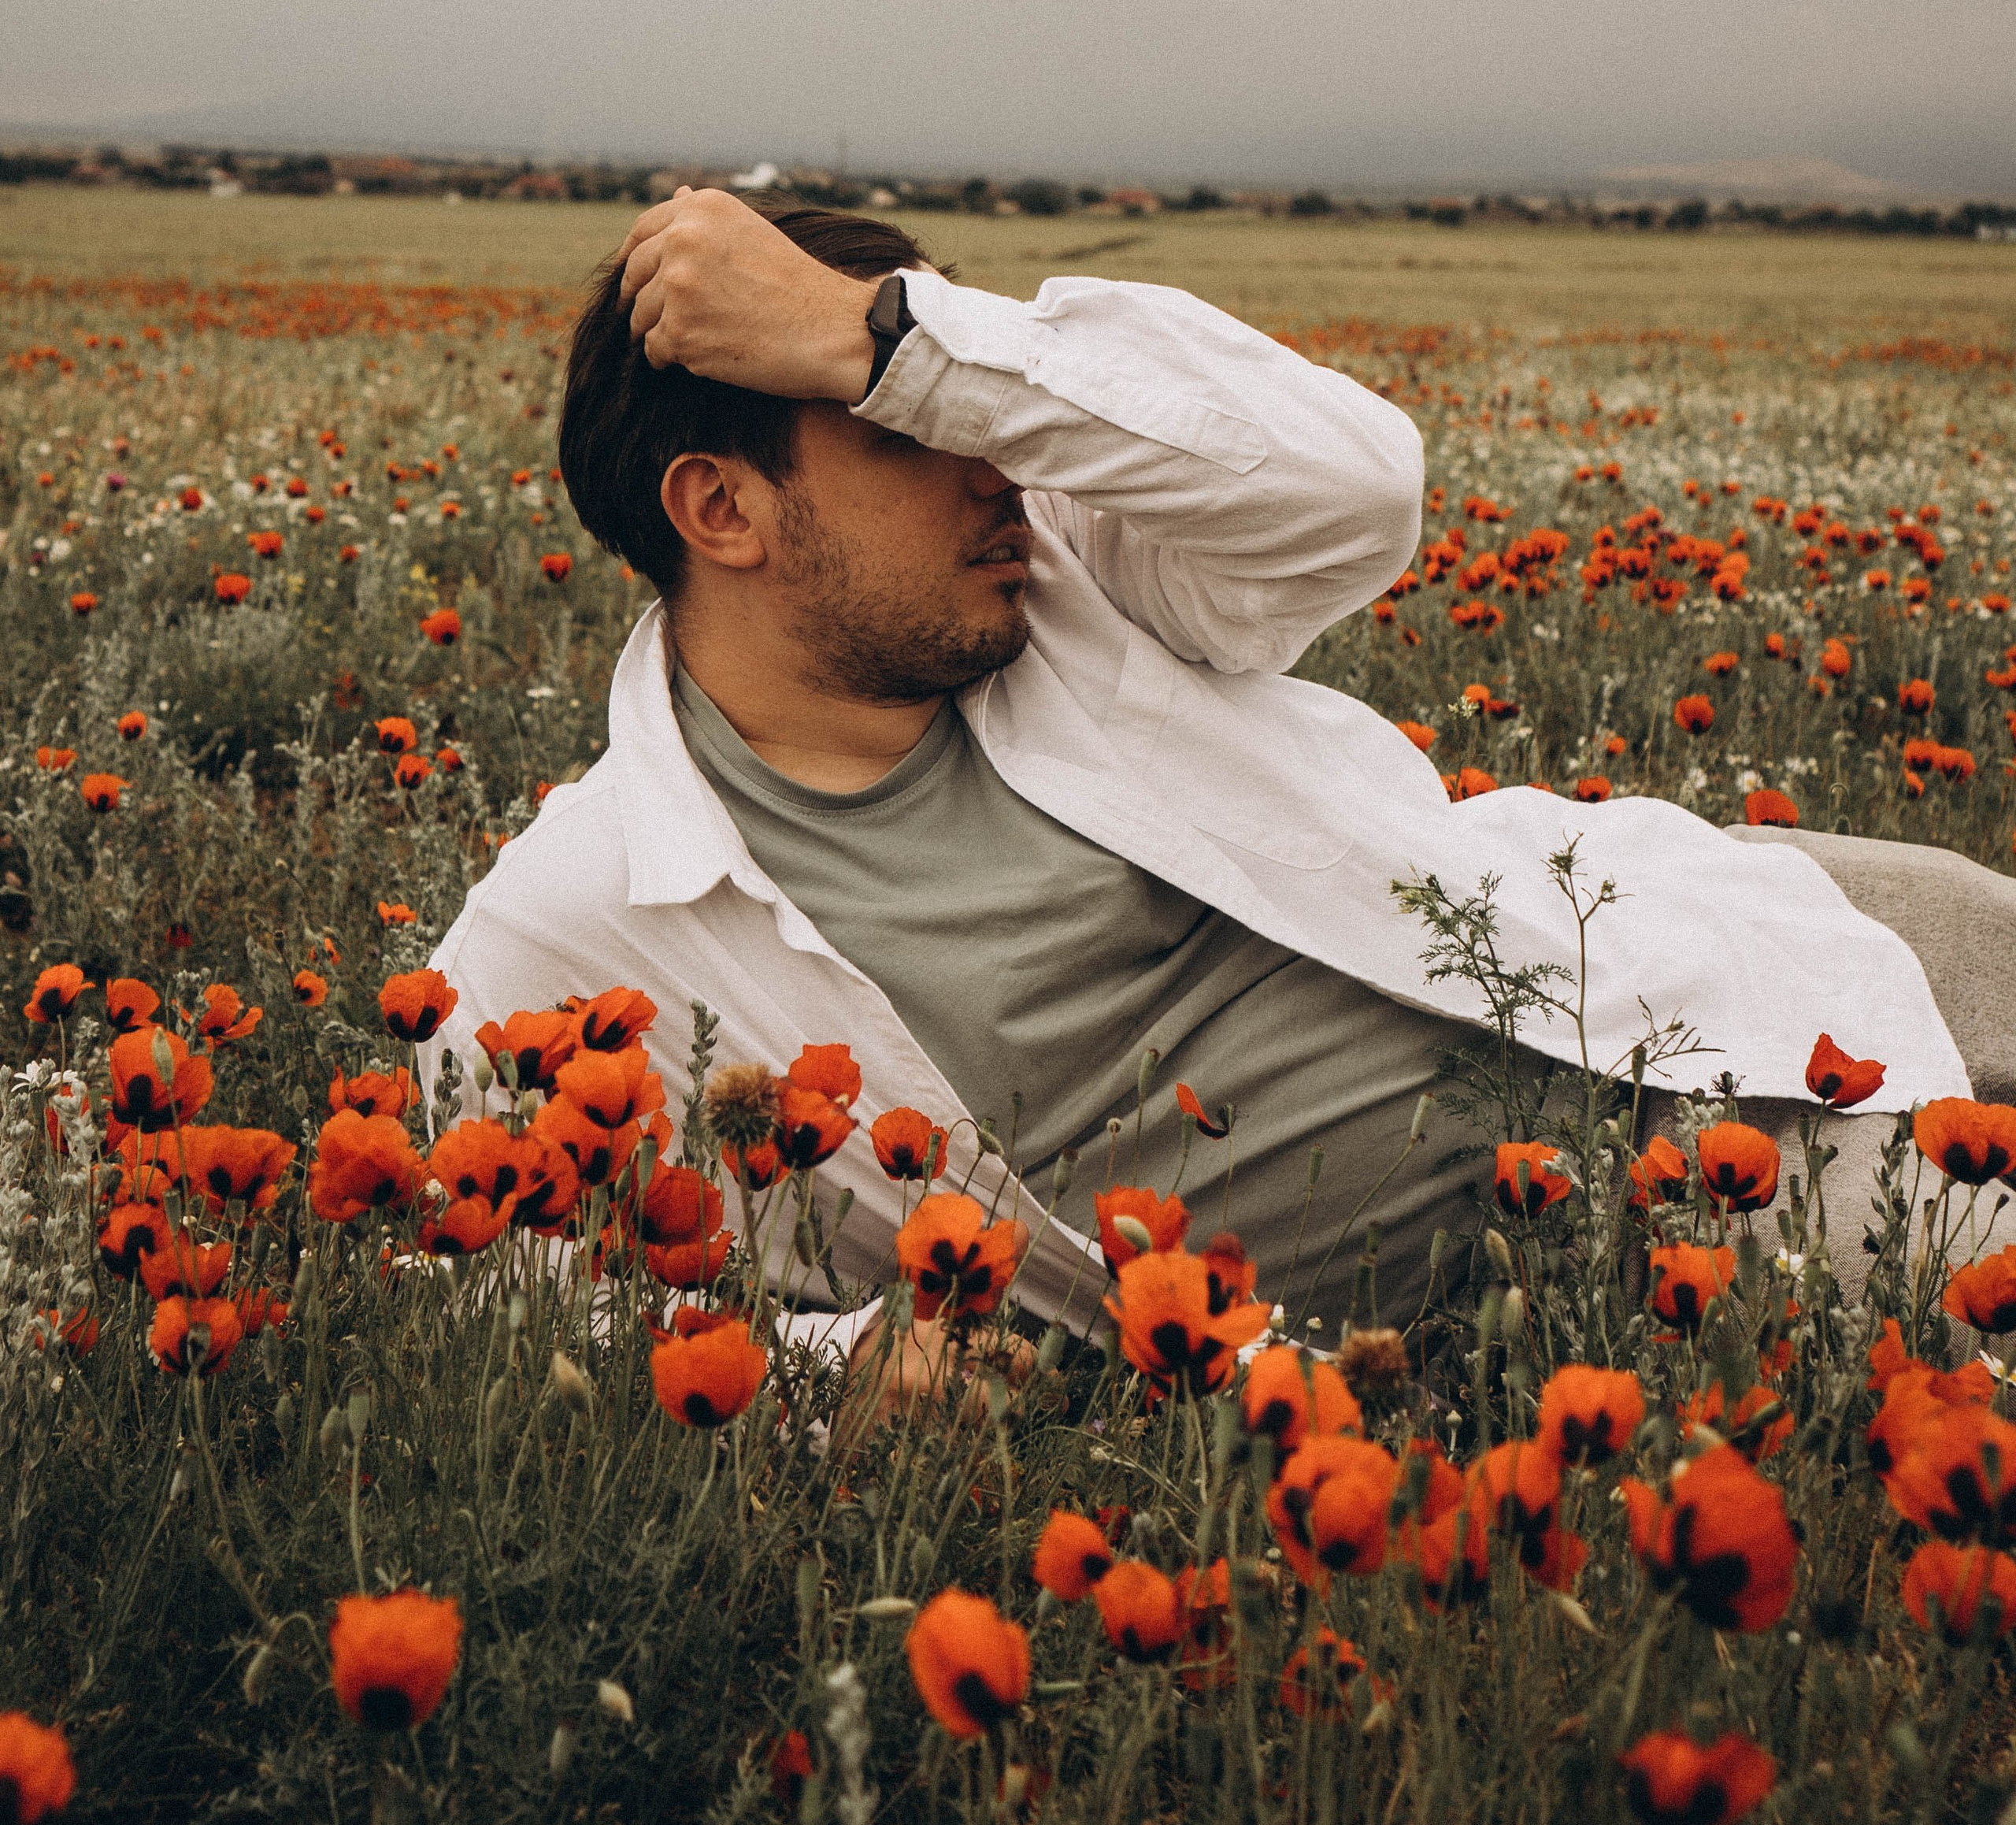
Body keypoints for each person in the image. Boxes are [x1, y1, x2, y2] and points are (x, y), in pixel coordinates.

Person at [425, 189, 1984, 1346]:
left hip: (1648, 964)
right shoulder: (582, 920)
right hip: (1643, 1230)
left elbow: (1354, 490)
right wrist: (822, 1368)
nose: (1000, 470)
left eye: (967, 404)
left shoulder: (1073, 592)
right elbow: (446, 1286)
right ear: (721, 513)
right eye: (900, 436)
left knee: (1958, 926)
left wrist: (882, 349)